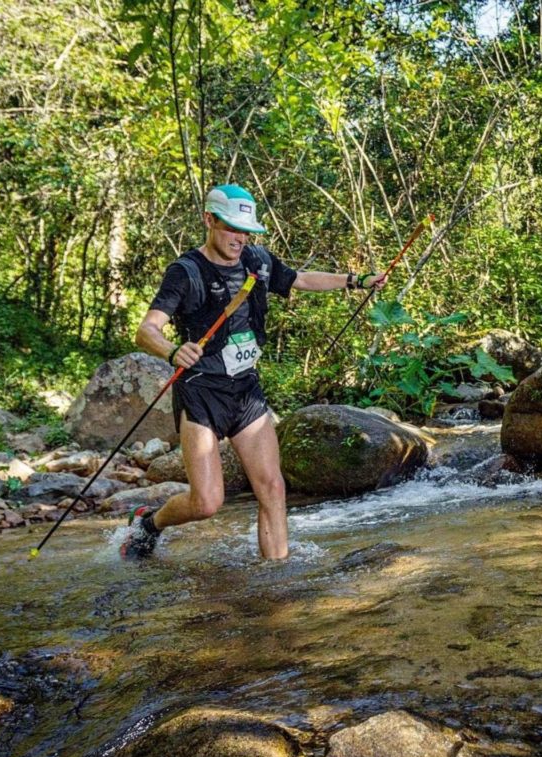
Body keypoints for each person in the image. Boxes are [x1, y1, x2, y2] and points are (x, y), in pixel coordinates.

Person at [121, 183, 387, 560]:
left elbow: (299, 279)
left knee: (273, 489)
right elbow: (146, 330)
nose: (240, 238)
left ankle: (276, 583)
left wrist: (355, 281)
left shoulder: (257, 261)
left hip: (245, 390)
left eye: (245, 231)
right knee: (207, 503)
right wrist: (172, 350)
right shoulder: (185, 272)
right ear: (209, 220)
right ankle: (148, 522)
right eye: (231, 228)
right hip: (202, 393)